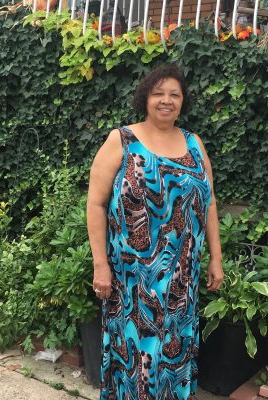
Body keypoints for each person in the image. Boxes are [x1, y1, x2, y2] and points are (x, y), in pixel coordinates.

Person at [86, 64, 224, 400]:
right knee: (138, 355)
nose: (166, 101)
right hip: (131, 279)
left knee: (175, 348)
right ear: (145, 98)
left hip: (182, 277)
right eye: (158, 93)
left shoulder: (194, 143)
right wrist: (100, 264)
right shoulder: (122, 141)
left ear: (182, 102)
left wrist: (216, 259)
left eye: (174, 95)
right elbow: (95, 204)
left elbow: (209, 204)